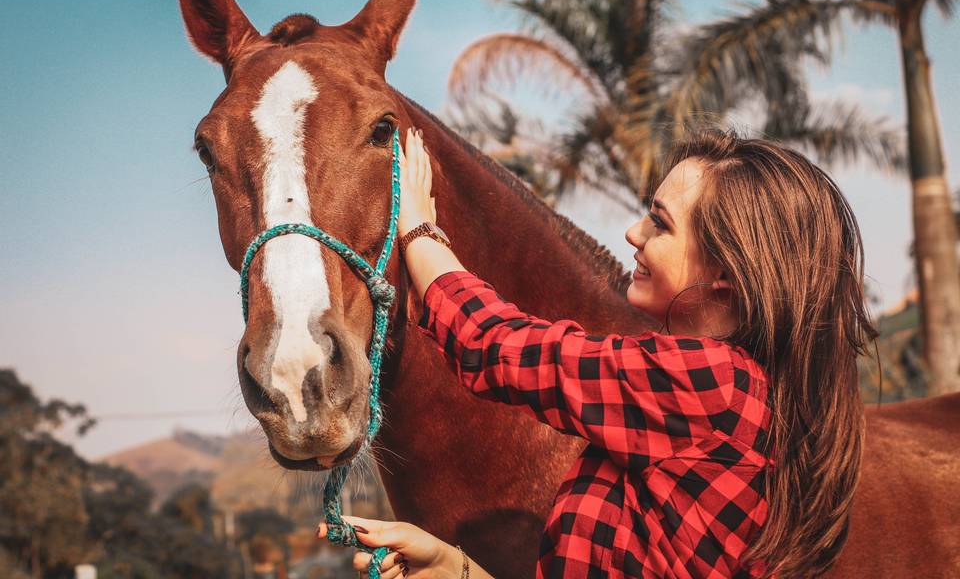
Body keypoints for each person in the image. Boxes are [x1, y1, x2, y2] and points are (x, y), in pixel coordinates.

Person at [316, 128, 876, 578]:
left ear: (725, 275)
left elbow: (497, 344)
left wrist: (418, 230)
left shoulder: (711, 384)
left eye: (660, 222)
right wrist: (453, 568)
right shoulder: (747, 397)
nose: (633, 233)